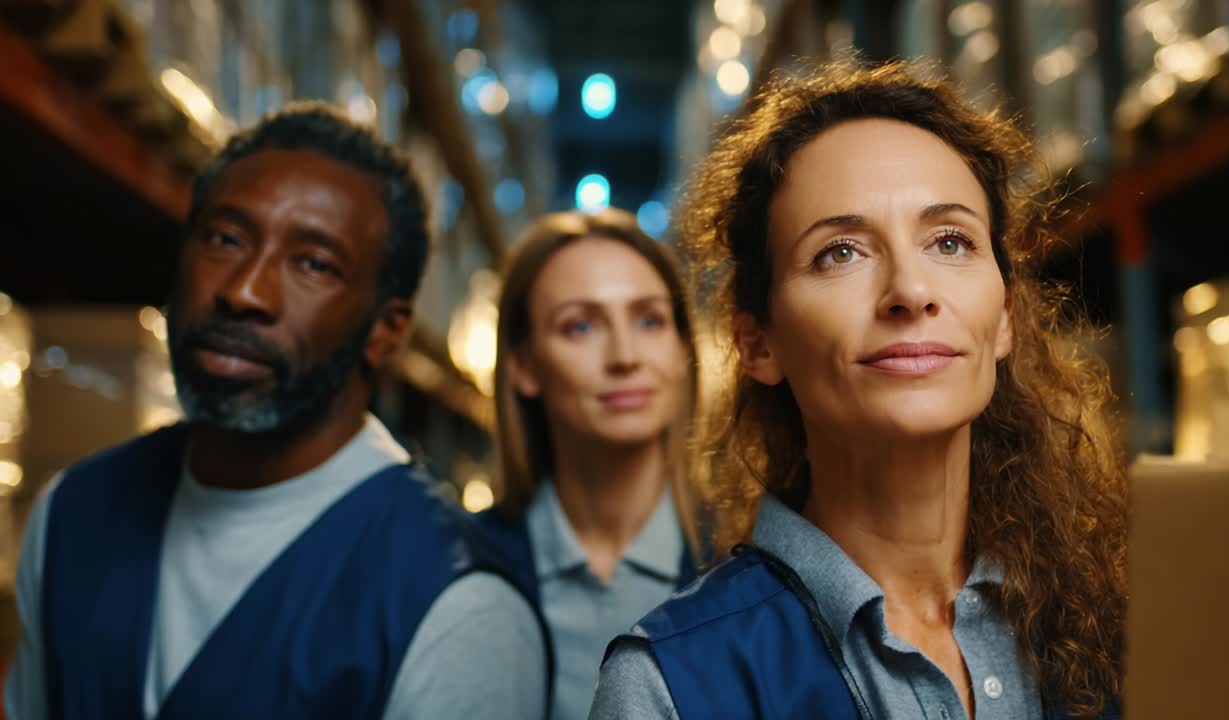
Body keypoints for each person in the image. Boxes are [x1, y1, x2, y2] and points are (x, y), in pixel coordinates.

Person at [591, 60, 1126, 720]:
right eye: (840, 252)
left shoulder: (1111, 628)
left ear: (1005, 319)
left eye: (950, 241)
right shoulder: (670, 688)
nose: (911, 291)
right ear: (759, 343)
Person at [5, 104, 547, 720]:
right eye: (225, 239)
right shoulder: (74, 510)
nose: (244, 291)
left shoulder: (457, 610)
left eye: (314, 264)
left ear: (386, 332)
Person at [475, 209, 707, 720]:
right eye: (580, 326)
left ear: (681, 348)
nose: (625, 356)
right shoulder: (459, 567)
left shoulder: (745, 567)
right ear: (523, 366)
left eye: (649, 320)